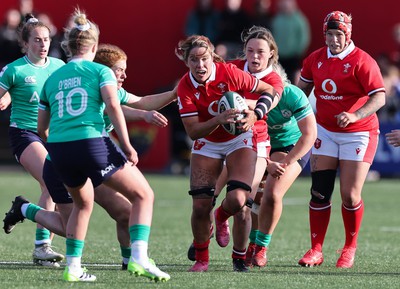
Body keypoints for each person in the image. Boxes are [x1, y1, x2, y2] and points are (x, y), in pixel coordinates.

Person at [3, 43, 177, 271]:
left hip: (88, 159)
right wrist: (140, 120)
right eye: (119, 70)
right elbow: (115, 109)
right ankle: (26, 210)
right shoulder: (92, 84)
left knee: (125, 212)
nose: (124, 74)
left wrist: (176, 94)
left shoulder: (108, 86)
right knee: (72, 227)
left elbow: (141, 100)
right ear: (101, 69)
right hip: (69, 161)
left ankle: (129, 262)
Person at [37, 8, 170, 282]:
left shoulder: (52, 79)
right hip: (91, 142)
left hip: (59, 149)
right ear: (94, 46)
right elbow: (112, 104)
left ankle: (73, 268)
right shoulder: (100, 71)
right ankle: (139, 258)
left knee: (82, 205)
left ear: (68, 45)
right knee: (143, 195)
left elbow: (42, 128)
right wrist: (127, 145)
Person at [175, 34, 280, 272]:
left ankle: (238, 255)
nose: (200, 65)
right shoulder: (184, 86)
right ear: (186, 61)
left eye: (204, 59)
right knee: (201, 206)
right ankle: (202, 259)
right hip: (207, 141)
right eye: (193, 60)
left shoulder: (229, 73)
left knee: (240, 201)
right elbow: (193, 131)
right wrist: (219, 119)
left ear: (212, 57)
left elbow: (269, 89)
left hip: (239, 138)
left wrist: (256, 114)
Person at [296, 11, 385, 268]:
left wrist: (355, 115)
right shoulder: (315, 59)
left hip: (359, 132)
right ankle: (316, 249)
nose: (333, 40)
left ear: (348, 35)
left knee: (350, 195)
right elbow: (301, 92)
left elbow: (379, 97)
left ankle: (349, 247)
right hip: (324, 130)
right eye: (329, 34)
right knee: (319, 191)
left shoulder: (362, 61)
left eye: (338, 34)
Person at [212, 26, 284, 272]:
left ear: (271, 53)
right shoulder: (231, 68)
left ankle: (224, 224)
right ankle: (200, 247)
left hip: (256, 143)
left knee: (242, 201)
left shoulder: (274, 79)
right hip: (222, 140)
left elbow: (268, 100)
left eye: (261, 52)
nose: (254, 56)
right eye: (250, 50)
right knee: (203, 196)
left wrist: (250, 109)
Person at [0, 13, 65, 267]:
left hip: (54, 134)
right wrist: (4, 99)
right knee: (51, 181)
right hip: (25, 134)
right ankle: (42, 247)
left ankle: (23, 211)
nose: (43, 44)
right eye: (37, 40)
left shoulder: (59, 68)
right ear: (25, 44)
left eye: (46, 39)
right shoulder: (15, 69)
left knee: (58, 189)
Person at [247, 65, 316, 268]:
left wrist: (282, 164)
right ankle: (252, 241)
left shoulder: (292, 94)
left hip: (291, 147)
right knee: (253, 195)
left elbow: (309, 135)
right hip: (261, 145)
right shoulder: (249, 96)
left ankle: (261, 246)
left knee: (273, 192)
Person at [271, 0, 310, 84]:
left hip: (293, 57)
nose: (285, 7)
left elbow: (304, 37)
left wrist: (299, 51)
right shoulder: (277, 19)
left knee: (294, 78)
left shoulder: (299, 20)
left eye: (287, 4)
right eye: (283, 5)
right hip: (279, 56)